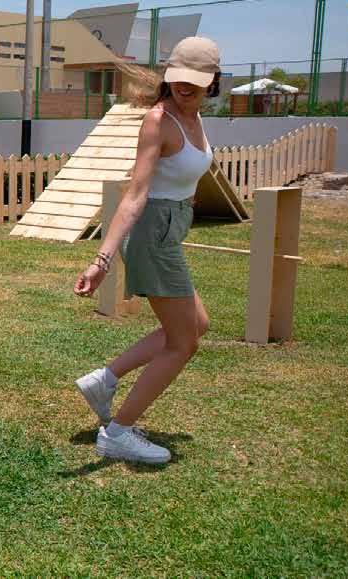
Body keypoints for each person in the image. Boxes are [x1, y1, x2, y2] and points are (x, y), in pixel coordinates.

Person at [72, 36, 222, 464]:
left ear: (213, 81)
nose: (185, 86)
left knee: (198, 323)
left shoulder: (193, 116)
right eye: (178, 78)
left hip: (168, 230)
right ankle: (118, 433)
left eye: (195, 81)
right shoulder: (158, 121)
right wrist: (102, 260)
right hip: (153, 233)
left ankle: (106, 378)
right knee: (183, 343)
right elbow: (136, 194)